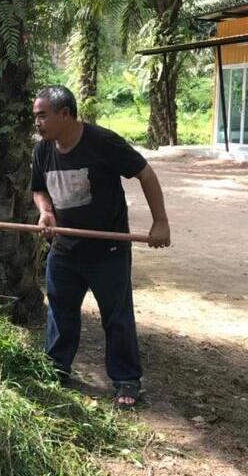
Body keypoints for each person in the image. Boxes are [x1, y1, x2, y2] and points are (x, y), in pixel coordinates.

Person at [30, 85, 170, 408]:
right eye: (35, 116)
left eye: (42, 115)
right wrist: (46, 211)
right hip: (64, 250)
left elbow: (145, 174)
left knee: (117, 317)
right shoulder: (43, 151)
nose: (36, 122)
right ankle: (56, 368)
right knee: (60, 314)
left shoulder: (102, 143)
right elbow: (39, 188)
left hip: (108, 251)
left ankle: (125, 379)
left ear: (65, 114)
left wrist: (160, 221)